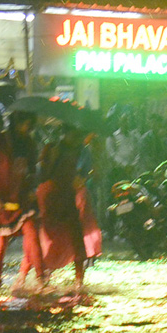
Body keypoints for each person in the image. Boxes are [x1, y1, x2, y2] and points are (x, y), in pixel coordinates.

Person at [0, 110, 44, 294]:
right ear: (16, 122)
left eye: (31, 125)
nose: (28, 128)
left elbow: (30, 171)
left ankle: (41, 281)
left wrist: (31, 189)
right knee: (0, 240)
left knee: (32, 234)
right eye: (26, 124)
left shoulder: (30, 143)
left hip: (21, 198)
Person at [32, 125, 102, 295]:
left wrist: (83, 179)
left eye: (79, 136)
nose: (78, 139)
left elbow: (86, 174)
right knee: (49, 239)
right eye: (75, 135)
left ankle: (79, 282)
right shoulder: (52, 149)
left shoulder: (81, 150)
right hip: (52, 199)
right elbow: (42, 175)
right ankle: (43, 279)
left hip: (69, 198)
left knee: (77, 238)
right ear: (65, 134)